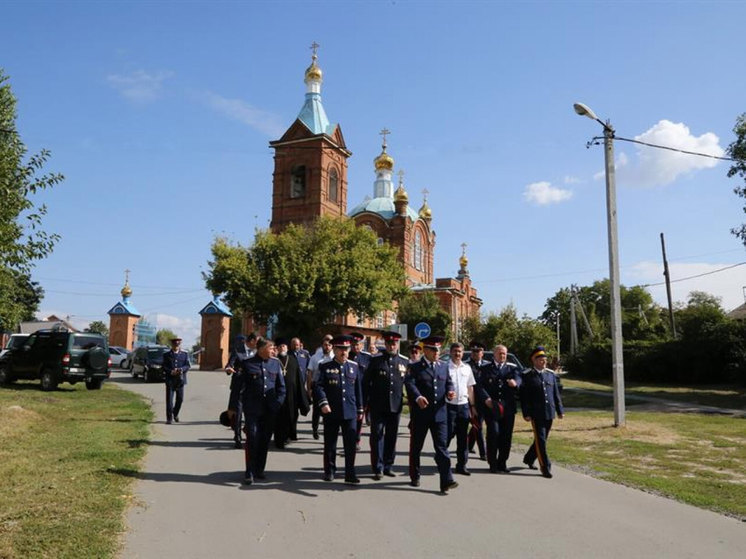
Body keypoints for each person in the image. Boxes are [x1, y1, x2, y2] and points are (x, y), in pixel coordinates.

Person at [404, 335, 458, 494]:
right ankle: (415, 475)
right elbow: (410, 384)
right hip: (421, 414)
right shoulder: (415, 367)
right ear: (425, 350)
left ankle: (446, 480)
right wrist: (418, 397)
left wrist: (450, 391)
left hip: (440, 414)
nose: (436, 352)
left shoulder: (443, 366)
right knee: (416, 447)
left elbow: (448, 382)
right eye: (433, 349)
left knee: (442, 448)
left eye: (438, 349)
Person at [236, 337, 286, 485]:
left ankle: (259, 470)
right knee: (252, 438)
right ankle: (249, 472)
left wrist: (277, 403)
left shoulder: (276, 364)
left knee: (264, 440)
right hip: (252, 409)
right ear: (262, 348)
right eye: (271, 348)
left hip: (270, 409)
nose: (273, 351)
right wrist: (234, 408)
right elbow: (238, 388)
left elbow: (281, 388)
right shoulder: (247, 363)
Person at [314, 335, 364, 484]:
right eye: (341, 349)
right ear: (334, 350)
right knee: (330, 443)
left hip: (350, 411)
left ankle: (350, 472)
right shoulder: (325, 366)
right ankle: (329, 471)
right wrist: (323, 403)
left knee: (350, 444)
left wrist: (360, 409)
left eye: (346, 349)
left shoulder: (354, 367)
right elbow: (318, 386)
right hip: (331, 411)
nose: (344, 352)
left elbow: (358, 389)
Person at [363, 330, 408, 479]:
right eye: (389, 343)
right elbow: (365, 383)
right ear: (385, 344)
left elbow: (408, 384)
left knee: (392, 436)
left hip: (395, 406)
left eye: (394, 343)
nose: (391, 346)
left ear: (398, 344)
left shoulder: (404, 362)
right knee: (377, 436)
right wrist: (364, 403)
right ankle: (378, 467)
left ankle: (389, 465)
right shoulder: (376, 361)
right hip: (377, 405)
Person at [477, 344, 522, 473]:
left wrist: (515, 383)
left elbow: (519, 379)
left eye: (504, 354)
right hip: (492, 408)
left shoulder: (511, 369)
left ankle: (502, 462)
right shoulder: (485, 369)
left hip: (508, 408)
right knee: (493, 434)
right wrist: (487, 399)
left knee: (506, 436)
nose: (502, 356)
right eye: (500, 353)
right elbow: (479, 386)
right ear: (494, 354)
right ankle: (493, 463)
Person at [520, 346, 564, 479]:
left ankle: (529, 458)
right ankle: (545, 467)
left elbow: (556, 394)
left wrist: (559, 410)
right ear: (533, 360)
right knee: (541, 440)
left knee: (542, 440)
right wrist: (526, 413)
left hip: (549, 412)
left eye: (544, 359)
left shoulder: (550, 374)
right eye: (540, 359)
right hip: (536, 413)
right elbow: (525, 397)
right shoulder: (527, 375)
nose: (543, 362)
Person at [445, 342, 476, 476]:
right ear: (450, 352)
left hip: (463, 406)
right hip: (448, 406)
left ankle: (461, 465)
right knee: (447, 434)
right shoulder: (445, 367)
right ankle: (442, 457)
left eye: (460, 351)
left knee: (463, 437)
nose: (457, 354)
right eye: (455, 351)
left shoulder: (467, 368)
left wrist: (472, 406)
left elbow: (470, 388)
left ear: (463, 353)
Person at [273, 337, 309, 448]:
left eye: (284, 346)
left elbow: (299, 378)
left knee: (291, 415)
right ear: (277, 349)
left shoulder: (293, 360)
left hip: (292, 394)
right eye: (280, 346)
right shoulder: (274, 360)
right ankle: (279, 438)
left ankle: (289, 435)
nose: (282, 348)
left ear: (287, 348)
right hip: (278, 394)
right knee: (279, 417)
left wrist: (302, 394)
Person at [225, 333, 256, 448]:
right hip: (239, 387)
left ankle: (250, 434)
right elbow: (229, 365)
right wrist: (229, 369)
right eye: (256, 342)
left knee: (251, 413)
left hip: (252, 387)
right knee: (238, 413)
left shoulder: (256, 352)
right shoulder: (237, 351)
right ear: (251, 341)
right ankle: (237, 437)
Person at [307, 334, 334, 440]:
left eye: (329, 345)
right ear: (322, 345)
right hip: (317, 386)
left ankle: (328, 432)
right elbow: (309, 372)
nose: (327, 347)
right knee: (317, 410)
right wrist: (309, 388)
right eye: (325, 345)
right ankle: (315, 429)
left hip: (330, 387)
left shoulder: (334, 357)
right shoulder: (315, 357)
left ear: (332, 346)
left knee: (329, 410)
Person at [348, 332, 371, 450]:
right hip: (349, 393)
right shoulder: (346, 356)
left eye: (357, 344)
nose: (355, 347)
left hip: (363, 393)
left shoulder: (367, 358)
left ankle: (356, 440)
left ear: (362, 345)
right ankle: (349, 439)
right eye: (353, 344)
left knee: (359, 417)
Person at [466, 341, 487, 461]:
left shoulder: (487, 365)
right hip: (471, 400)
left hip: (484, 400)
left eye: (478, 351)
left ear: (482, 353)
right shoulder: (466, 366)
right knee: (478, 425)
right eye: (473, 351)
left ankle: (468, 445)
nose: (475, 354)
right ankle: (483, 453)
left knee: (476, 425)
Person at [162, 337, 190, 424]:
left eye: (178, 344)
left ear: (179, 345)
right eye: (174, 344)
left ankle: (175, 413)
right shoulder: (166, 355)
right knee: (169, 400)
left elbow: (187, 366)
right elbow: (164, 366)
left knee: (180, 399)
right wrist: (170, 371)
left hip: (180, 380)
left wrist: (181, 369)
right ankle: (169, 418)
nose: (176, 346)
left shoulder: (184, 354)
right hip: (170, 380)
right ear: (172, 345)